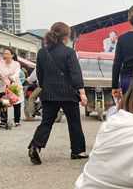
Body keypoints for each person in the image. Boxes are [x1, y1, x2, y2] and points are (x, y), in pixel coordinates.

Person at [28, 22, 88, 165]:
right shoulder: (69, 52)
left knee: (46, 122)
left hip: (49, 93)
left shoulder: (42, 52)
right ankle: (77, 151)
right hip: (68, 94)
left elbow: (40, 74)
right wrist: (82, 93)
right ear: (66, 37)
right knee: (74, 123)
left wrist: (45, 87)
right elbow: (75, 74)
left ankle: (35, 146)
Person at [0, 47, 22, 127]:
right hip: (4, 85)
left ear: (12, 55)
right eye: (4, 53)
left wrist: (12, 78)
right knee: (4, 102)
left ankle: (17, 121)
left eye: (7, 53)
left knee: (16, 103)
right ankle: (3, 120)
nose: (5, 55)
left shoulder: (16, 64)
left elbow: (17, 73)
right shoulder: (0, 63)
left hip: (14, 85)